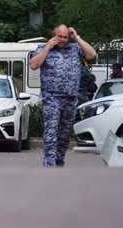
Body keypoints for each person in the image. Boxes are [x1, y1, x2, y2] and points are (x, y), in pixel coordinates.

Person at [29, 24, 96, 167]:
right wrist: (47, 47)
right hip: (52, 97)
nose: (63, 40)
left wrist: (76, 37)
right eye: (60, 36)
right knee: (51, 131)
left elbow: (92, 54)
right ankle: (49, 164)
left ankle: (59, 162)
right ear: (54, 35)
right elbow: (34, 65)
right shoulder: (43, 48)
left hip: (70, 98)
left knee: (65, 135)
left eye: (65, 37)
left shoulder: (75, 49)